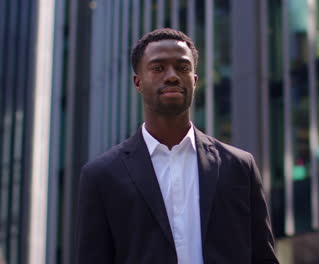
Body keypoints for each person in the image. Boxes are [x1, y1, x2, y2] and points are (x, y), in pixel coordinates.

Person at [75, 28, 279, 264]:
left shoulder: (240, 166)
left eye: (182, 68)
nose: (172, 76)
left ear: (194, 80)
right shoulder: (101, 176)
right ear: (138, 82)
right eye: (158, 68)